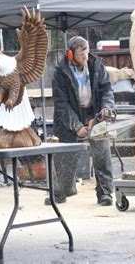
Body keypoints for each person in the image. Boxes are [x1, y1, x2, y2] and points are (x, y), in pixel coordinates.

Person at [50, 36, 115, 206]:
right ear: (71, 54)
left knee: (102, 154)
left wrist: (105, 108)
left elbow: (107, 90)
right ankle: (61, 192)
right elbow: (61, 105)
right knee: (65, 156)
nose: (85, 57)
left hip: (93, 112)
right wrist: (76, 126)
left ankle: (105, 192)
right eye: (81, 54)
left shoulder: (97, 66)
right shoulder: (60, 73)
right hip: (69, 115)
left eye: (86, 52)